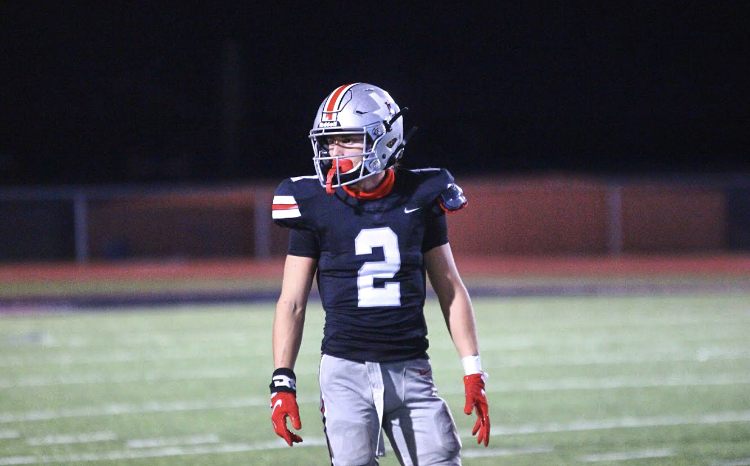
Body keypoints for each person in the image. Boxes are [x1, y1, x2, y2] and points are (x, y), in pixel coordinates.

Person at [269, 83, 490, 465]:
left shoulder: (422, 195)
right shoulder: (312, 203)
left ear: (384, 139)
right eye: (329, 141)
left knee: (442, 458)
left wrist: (473, 371)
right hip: (345, 372)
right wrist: (282, 381)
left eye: (347, 139)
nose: (333, 151)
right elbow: (292, 302)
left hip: (411, 369)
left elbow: (451, 289)